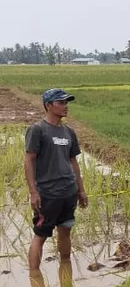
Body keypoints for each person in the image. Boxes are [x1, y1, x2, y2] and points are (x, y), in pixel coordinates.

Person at [24, 88, 88, 271]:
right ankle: (34, 277)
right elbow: (29, 160)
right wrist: (33, 192)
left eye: (66, 102)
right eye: (60, 102)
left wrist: (81, 190)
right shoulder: (38, 130)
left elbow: (73, 161)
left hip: (68, 192)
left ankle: (65, 268)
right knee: (41, 234)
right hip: (48, 194)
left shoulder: (69, 132)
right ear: (48, 105)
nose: (65, 106)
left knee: (66, 230)